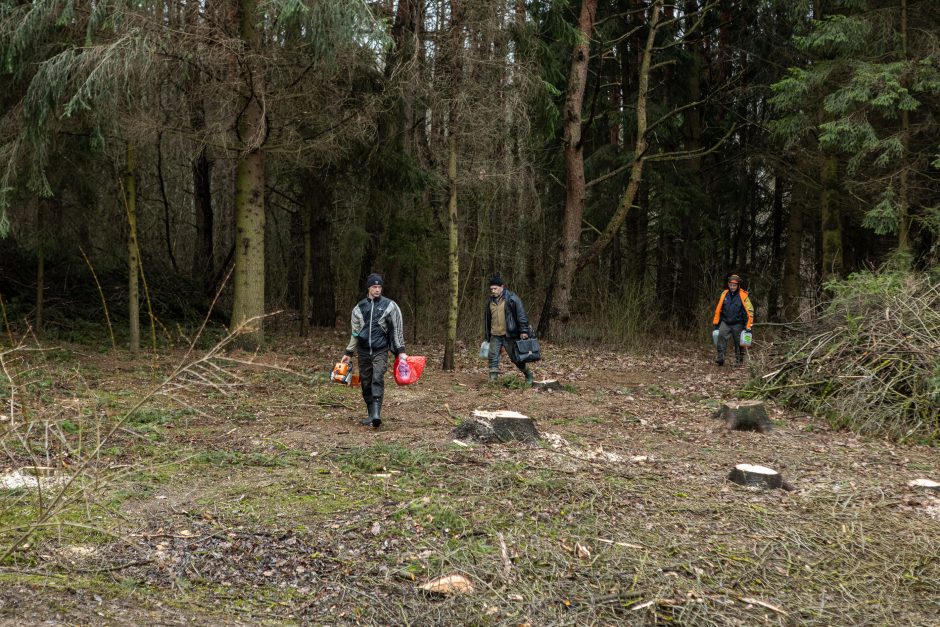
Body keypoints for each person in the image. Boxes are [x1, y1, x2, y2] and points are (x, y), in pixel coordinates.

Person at [340, 273, 407, 428]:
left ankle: (377, 414)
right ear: (369, 288)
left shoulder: (390, 306)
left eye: (379, 287)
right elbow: (355, 333)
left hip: (380, 350)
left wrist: (401, 350)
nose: (377, 290)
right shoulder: (359, 308)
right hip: (363, 351)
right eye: (374, 287)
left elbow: (397, 329)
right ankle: (371, 413)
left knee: (377, 377)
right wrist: (348, 353)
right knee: (366, 382)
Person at [483, 274, 533, 384]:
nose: (493, 291)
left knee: (516, 358)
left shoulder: (512, 299)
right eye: (491, 289)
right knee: (492, 357)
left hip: (509, 334)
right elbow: (487, 319)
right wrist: (487, 335)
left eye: (495, 288)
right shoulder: (489, 302)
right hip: (495, 334)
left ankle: (528, 374)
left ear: (502, 287)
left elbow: (521, 315)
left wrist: (524, 331)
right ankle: (493, 381)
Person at [711, 273, 754, 366]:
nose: (732, 287)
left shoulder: (744, 296)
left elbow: (750, 311)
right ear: (728, 284)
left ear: (738, 285)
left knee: (739, 342)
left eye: (734, 285)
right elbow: (719, 309)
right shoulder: (724, 294)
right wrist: (716, 323)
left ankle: (739, 361)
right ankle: (720, 358)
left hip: (738, 323)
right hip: (725, 322)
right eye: (730, 285)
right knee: (721, 337)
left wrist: (748, 325)